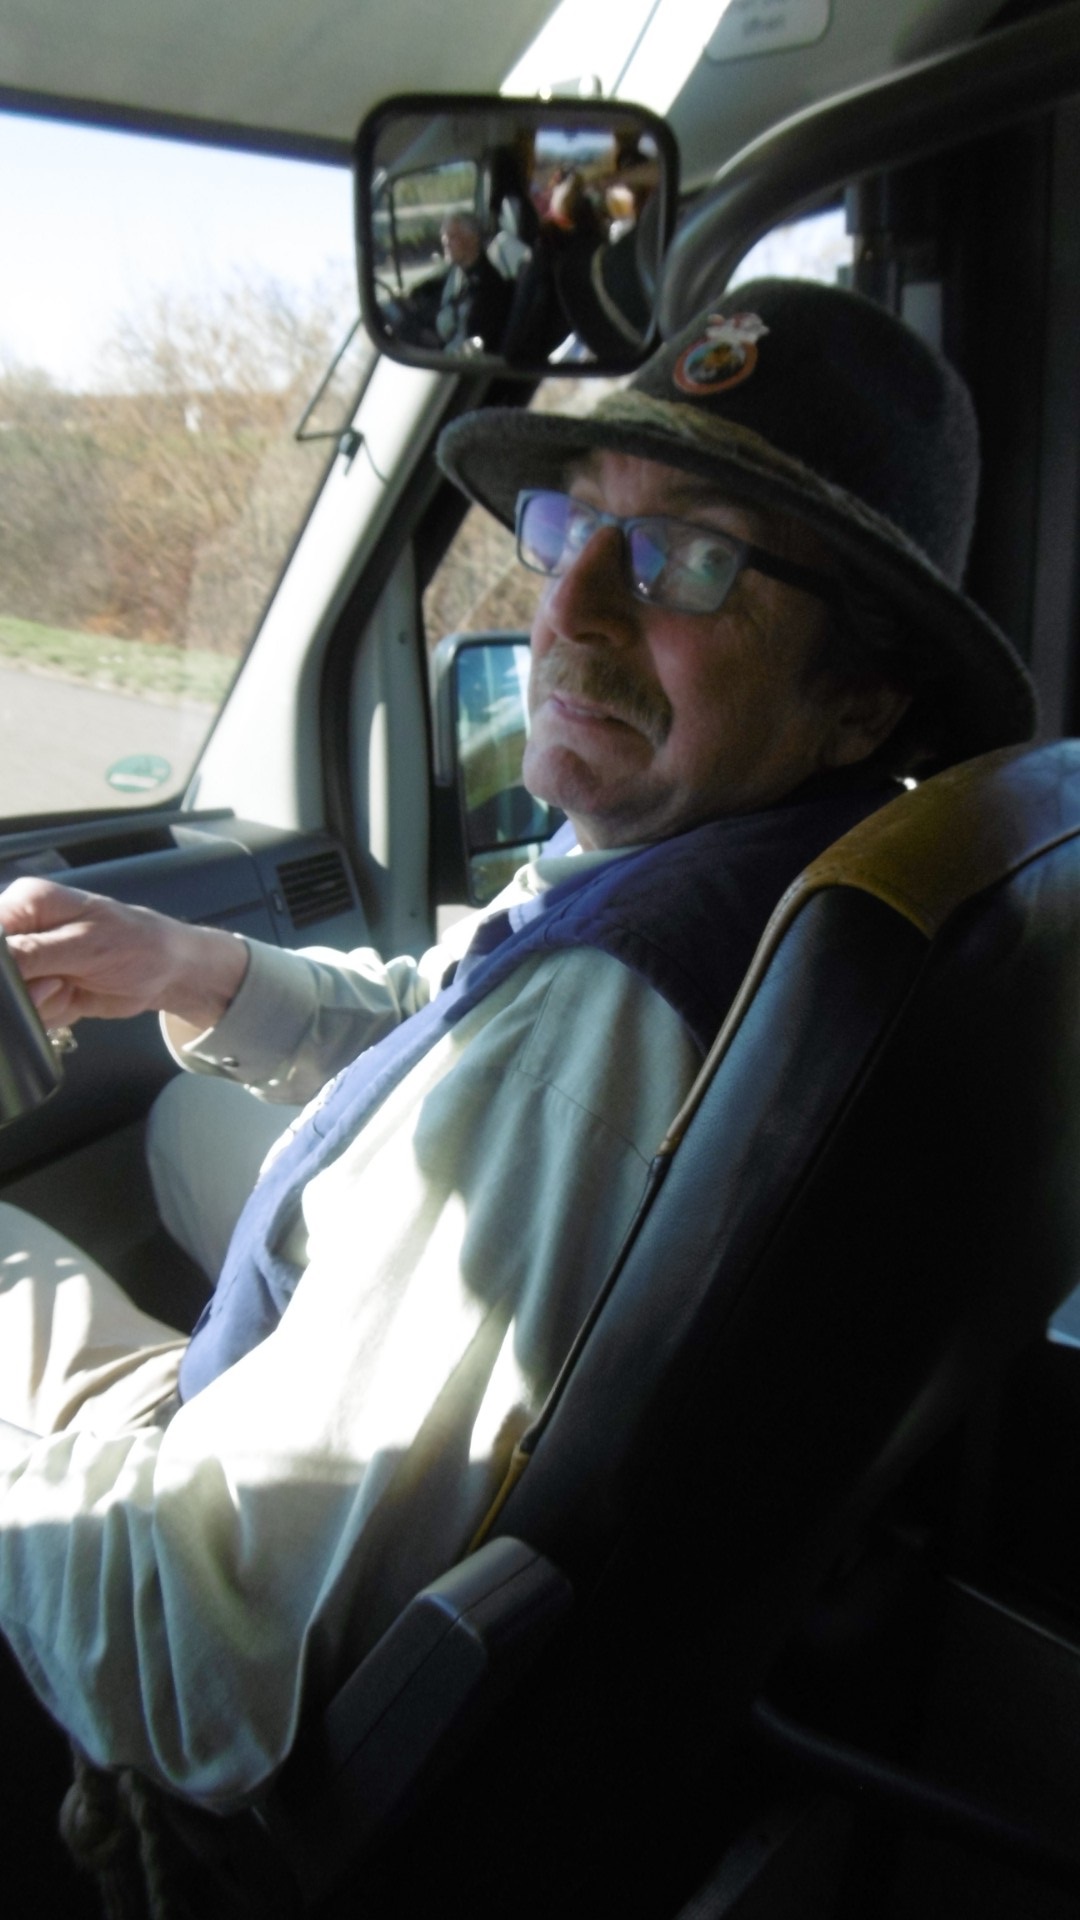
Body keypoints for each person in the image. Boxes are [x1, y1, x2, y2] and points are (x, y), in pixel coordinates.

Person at [0, 279, 1035, 1810]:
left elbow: (185, 1662)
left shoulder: (602, 1018)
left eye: (690, 559)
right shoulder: (768, 865)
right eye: (574, 527)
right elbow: (456, 1010)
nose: (569, 612)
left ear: (861, 697)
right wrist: (200, 969)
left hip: (228, 1716)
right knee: (176, 1131)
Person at [434, 212, 513, 351]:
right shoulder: (457, 274)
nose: (445, 242)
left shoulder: (489, 287)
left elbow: (477, 342)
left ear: (473, 239)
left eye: (452, 236)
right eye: (444, 235)